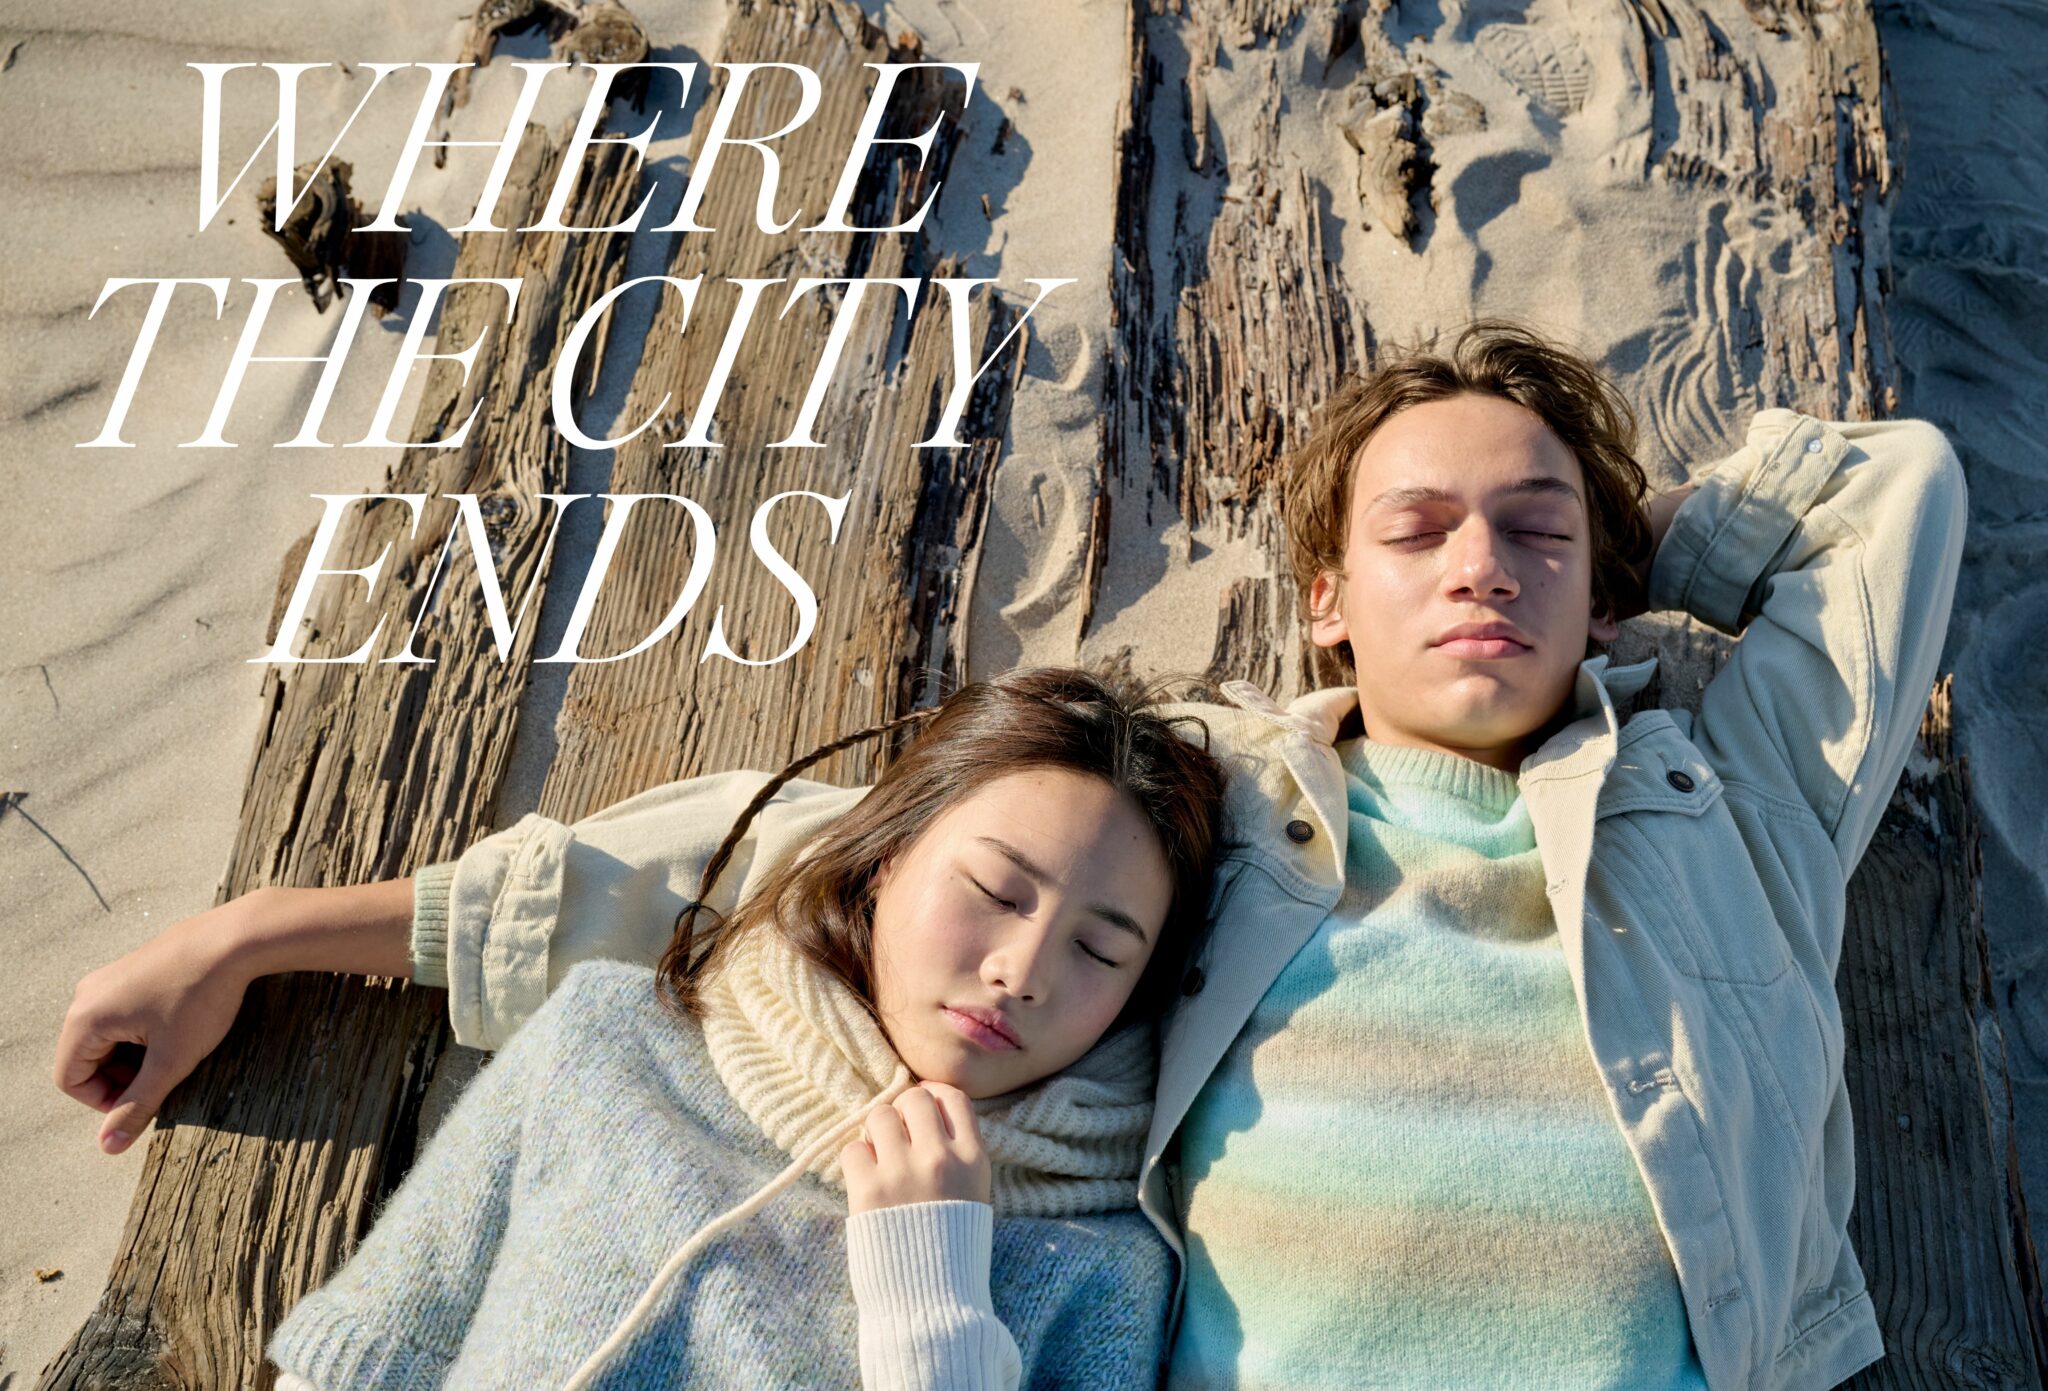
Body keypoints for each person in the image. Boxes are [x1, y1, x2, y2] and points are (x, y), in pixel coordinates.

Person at [57, 320, 1969, 1390]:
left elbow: (1902, 485)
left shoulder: (1746, 794)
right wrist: (260, 937)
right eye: (1421, 531)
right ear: (1322, 601)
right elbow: (800, 866)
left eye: (1536, 532)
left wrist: (1662, 575)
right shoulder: (1221, 819)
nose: (1480, 563)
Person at [163, 666, 1227, 1389]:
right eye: (995, 887)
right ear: (885, 855)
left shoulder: (1108, 1264)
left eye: (1099, 949)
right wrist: (243, 935)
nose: (1021, 969)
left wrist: (933, 1297)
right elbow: (377, 1342)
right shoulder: (612, 1039)